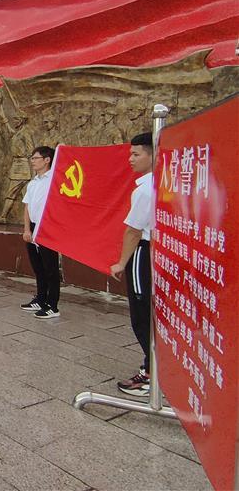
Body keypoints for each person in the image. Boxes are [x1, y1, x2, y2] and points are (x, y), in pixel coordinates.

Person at [110, 132, 155, 397]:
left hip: (143, 254)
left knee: (142, 316)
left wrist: (121, 262)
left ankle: (150, 374)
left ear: (153, 154)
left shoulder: (146, 190)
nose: (131, 159)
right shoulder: (165, 182)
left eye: (136, 154)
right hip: (159, 253)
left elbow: (133, 231)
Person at [21, 146, 60, 319]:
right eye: (32, 158)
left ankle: (52, 305)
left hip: (48, 228)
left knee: (50, 268)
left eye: (35, 158)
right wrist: (26, 229)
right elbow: (27, 207)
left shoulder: (54, 181)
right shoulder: (33, 183)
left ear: (47, 160)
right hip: (33, 226)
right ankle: (41, 298)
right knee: (38, 267)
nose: (32, 161)